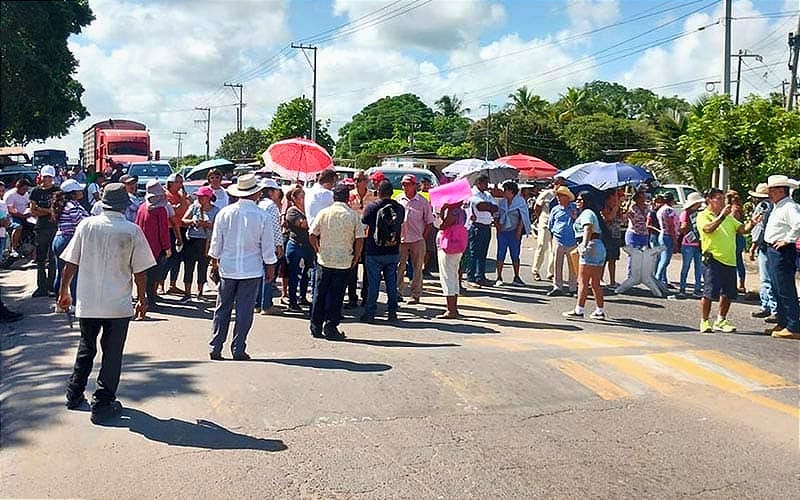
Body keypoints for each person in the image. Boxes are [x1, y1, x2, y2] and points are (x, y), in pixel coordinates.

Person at [58, 183, 155, 423]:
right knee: (112, 354)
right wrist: (143, 300)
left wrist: (63, 292)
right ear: (124, 205)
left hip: (88, 302)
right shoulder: (131, 231)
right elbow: (140, 272)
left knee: (86, 347)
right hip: (118, 305)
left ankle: (74, 393)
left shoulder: (86, 225)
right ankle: (102, 404)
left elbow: (70, 263)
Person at [208, 174, 277, 360]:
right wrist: (270, 266)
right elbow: (268, 247)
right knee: (244, 311)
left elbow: (216, 244)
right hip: (251, 269)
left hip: (228, 268)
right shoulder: (263, 216)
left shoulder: (225, 213)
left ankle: (215, 346)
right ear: (256, 194)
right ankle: (238, 348)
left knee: (222, 308)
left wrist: (214, 263)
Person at [308, 183, 365, 340]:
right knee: (337, 295)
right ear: (348, 198)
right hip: (344, 261)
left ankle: (315, 325)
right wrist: (356, 256)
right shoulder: (353, 215)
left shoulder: (324, 213)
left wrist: (318, 249)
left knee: (320, 293)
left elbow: (312, 234)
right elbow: (360, 238)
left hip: (325, 259)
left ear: (334, 197)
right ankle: (331, 326)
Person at [697, 188, 753, 333]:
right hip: (713, 259)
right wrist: (722, 216)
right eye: (718, 198)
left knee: (728, 293)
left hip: (730, 260)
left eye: (723, 198)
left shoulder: (729, 217)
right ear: (709, 200)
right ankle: (704, 321)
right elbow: (708, 229)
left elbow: (742, 229)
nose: (722, 201)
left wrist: (753, 222)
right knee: (709, 293)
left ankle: (721, 320)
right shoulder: (703, 215)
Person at [360, 180, 405, 323]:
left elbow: (364, 220)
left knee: (374, 283)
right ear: (392, 193)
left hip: (374, 250)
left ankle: (370, 313)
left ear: (378, 192)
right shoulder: (399, 208)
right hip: (393, 249)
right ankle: (392, 312)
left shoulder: (372, 207)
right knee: (391, 282)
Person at [762, 175, 800, 339]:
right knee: (777, 287)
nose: (769, 193)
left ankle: (793, 325)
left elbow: (798, 223)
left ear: (780, 190)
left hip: (782, 251)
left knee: (785, 288)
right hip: (773, 249)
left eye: (771, 190)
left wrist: (787, 240)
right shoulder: (779, 206)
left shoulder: (790, 207)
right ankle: (784, 321)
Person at [563, 191, 607, 320]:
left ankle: (579, 309)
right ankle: (599, 310)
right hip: (598, 246)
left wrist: (583, 245)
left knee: (583, 280)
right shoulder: (590, 213)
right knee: (595, 282)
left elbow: (588, 228)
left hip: (590, 246)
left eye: (580, 199)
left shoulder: (587, 213)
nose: (577, 201)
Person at [135, 180, 172, 317]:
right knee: (153, 275)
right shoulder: (160, 210)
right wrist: (167, 247)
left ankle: (148, 297)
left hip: (142, 245)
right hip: (156, 247)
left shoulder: (142, 207)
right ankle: (151, 300)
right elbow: (163, 231)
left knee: (145, 274)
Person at [396, 174, 433, 304]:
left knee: (417, 267)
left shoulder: (422, 201)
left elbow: (429, 222)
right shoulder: (399, 199)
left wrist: (423, 237)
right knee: (399, 266)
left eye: (407, 184)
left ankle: (415, 294)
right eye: (403, 184)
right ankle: (398, 292)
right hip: (401, 239)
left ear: (414, 186)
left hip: (417, 239)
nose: (405, 187)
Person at [51, 179, 89, 300]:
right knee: (72, 272)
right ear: (72, 193)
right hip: (68, 240)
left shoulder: (67, 204)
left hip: (59, 239)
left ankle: (60, 299)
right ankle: (73, 302)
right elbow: (80, 222)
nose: (81, 192)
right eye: (78, 190)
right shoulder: (72, 206)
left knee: (61, 271)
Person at [346, 170, 378, 308]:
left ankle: (366, 296)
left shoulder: (373, 196)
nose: (357, 182)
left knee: (368, 268)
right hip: (352, 236)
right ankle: (352, 297)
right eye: (355, 180)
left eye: (360, 179)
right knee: (351, 267)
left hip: (368, 236)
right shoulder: (349, 196)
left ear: (366, 181)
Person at [181, 186, 219, 301]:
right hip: (192, 240)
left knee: (202, 267)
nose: (199, 198)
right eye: (199, 196)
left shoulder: (216, 210)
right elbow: (183, 220)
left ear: (208, 197)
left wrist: (207, 224)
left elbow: (219, 227)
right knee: (189, 267)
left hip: (206, 241)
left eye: (202, 196)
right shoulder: (194, 207)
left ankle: (200, 292)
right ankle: (187, 293)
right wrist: (192, 221)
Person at [747, 183, 777, 323]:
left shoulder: (763, 206)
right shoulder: (774, 206)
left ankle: (770, 307)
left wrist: (753, 246)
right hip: (770, 244)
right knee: (769, 278)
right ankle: (768, 306)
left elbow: (759, 228)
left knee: (766, 279)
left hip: (764, 245)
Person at [29, 166, 61, 297]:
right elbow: (33, 210)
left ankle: (51, 286)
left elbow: (58, 210)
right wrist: (48, 211)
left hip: (54, 227)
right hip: (41, 227)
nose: (46, 179)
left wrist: (41, 209)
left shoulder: (57, 191)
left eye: (49, 177)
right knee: (40, 259)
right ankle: (41, 286)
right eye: (45, 177)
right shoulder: (35, 192)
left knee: (52, 258)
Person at [255, 179, 284, 314]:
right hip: (268, 243)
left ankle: (257, 303)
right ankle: (266, 304)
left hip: (257, 243)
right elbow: (275, 227)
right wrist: (278, 244)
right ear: (271, 191)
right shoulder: (271, 206)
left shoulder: (259, 204)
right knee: (268, 273)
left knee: (260, 274)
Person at [495, 181, 531, 286]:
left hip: (514, 231)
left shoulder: (520, 201)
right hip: (503, 232)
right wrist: (497, 226)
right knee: (500, 253)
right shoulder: (502, 202)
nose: (504, 192)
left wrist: (519, 231)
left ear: (511, 191)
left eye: (505, 190)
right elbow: (497, 214)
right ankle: (499, 277)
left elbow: (523, 217)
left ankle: (516, 276)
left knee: (515, 254)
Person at [284, 187, 314, 312]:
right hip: (296, 245)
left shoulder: (308, 210)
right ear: (294, 199)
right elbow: (302, 224)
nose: (303, 199)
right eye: (301, 197)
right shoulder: (292, 211)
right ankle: (292, 300)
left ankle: (302, 296)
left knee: (306, 273)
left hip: (308, 246)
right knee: (294, 274)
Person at [436, 201, 467, 319]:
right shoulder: (462, 212)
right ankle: (454, 307)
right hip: (457, 246)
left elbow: (442, 225)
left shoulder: (452, 212)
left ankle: (451, 309)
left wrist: (442, 210)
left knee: (447, 276)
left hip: (448, 247)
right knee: (454, 276)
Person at [466, 175, 498, 287]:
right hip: (476, 226)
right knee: (473, 253)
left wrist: (489, 207)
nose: (487, 185)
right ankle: (471, 277)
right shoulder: (472, 193)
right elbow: (480, 206)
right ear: (478, 183)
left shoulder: (487, 194)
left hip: (486, 225)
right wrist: (489, 207)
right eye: (485, 183)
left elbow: (495, 207)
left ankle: (480, 276)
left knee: (483, 253)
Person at [547, 185, 578, 296]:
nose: (558, 198)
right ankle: (557, 286)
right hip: (558, 239)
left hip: (572, 240)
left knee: (573, 266)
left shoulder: (575, 208)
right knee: (557, 264)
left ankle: (573, 288)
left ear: (567, 197)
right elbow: (550, 224)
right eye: (558, 196)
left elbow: (580, 223)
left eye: (561, 196)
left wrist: (575, 217)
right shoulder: (555, 209)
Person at [532, 177, 562, 280]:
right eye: (559, 184)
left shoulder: (563, 195)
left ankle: (551, 272)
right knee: (542, 247)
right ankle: (535, 270)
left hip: (556, 226)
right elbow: (537, 207)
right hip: (545, 223)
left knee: (554, 250)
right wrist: (540, 218)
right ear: (555, 184)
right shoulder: (547, 194)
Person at [165, 173, 190, 295]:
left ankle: (173, 284)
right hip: (170, 229)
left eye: (181, 182)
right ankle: (160, 284)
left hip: (181, 228)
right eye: (178, 182)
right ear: (171, 183)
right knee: (168, 258)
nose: (180, 184)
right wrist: (184, 201)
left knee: (177, 258)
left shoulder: (180, 195)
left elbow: (186, 210)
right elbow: (175, 212)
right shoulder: (166, 195)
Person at [677, 192, 704, 297]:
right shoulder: (686, 214)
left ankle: (694, 289)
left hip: (693, 243)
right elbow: (682, 227)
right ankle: (684, 288)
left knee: (696, 267)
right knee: (688, 266)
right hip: (689, 244)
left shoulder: (694, 213)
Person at [4, 178, 32, 258]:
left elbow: (29, 203)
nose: (25, 191)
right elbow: (10, 209)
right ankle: (14, 248)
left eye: (27, 189)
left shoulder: (26, 194)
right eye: (24, 189)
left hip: (24, 216)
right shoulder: (10, 195)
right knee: (18, 227)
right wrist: (22, 216)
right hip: (11, 217)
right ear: (18, 187)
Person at [601, 189, 624, 287]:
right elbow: (609, 217)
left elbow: (622, 220)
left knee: (613, 259)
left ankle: (612, 281)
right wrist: (615, 207)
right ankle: (600, 278)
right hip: (607, 236)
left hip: (616, 236)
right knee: (604, 259)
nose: (615, 199)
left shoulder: (617, 209)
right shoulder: (604, 208)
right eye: (613, 197)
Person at [654, 192, 678, 287]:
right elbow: (671, 225)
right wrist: (675, 239)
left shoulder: (661, 209)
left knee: (663, 258)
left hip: (662, 234)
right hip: (668, 235)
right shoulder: (669, 210)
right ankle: (657, 278)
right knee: (665, 260)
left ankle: (660, 279)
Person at [726, 190, 747, 292]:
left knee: (734, 262)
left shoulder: (733, 210)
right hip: (739, 238)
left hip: (735, 238)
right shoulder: (739, 208)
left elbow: (736, 226)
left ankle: (738, 285)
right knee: (738, 262)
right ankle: (741, 284)